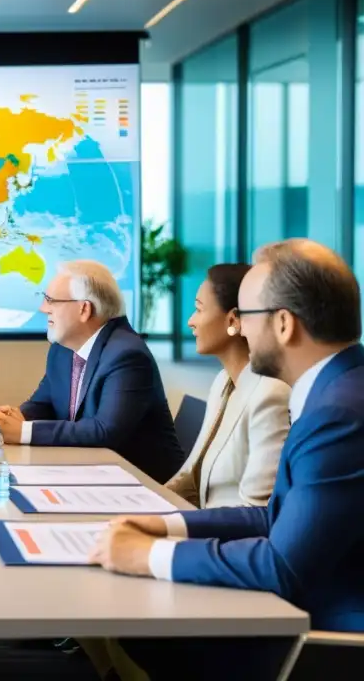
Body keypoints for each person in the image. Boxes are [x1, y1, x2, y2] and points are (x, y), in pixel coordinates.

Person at [91, 240, 364, 680]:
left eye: (247, 316)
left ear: (282, 324)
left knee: (137, 630)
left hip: (328, 641)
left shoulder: (339, 413)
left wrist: (149, 556)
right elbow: (272, 519)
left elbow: (282, 566)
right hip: (308, 609)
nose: (241, 329)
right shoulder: (336, 390)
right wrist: (163, 526)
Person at [0, 260, 183, 483]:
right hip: (93, 475)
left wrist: (22, 432)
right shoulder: (62, 350)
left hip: (145, 488)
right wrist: (9, 417)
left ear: (84, 309)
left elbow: (105, 431)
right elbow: (43, 404)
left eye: (51, 301)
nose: (43, 308)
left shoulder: (127, 355)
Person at [166, 264, 290, 508]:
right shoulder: (223, 382)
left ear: (233, 319)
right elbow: (191, 477)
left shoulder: (270, 393)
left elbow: (256, 511)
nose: (191, 321)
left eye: (199, 309)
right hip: (202, 526)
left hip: (228, 538)